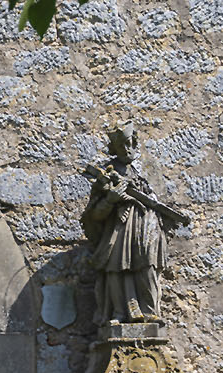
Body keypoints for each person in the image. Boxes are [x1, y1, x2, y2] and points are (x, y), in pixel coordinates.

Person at [80, 125, 187, 325]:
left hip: (146, 225)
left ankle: (149, 311)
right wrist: (110, 200)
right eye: (122, 146)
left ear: (135, 144)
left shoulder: (144, 171)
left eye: (130, 144)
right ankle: (119, 312)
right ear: (114, 149)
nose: (127, 149)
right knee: (115, 267)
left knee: (148, 265)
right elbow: (94, 215)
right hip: (119, 227)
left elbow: (157, 201)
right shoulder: (106, 175)